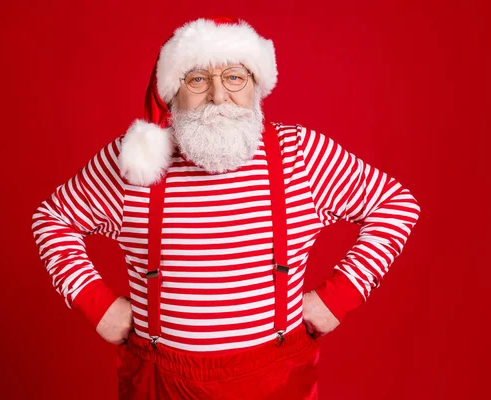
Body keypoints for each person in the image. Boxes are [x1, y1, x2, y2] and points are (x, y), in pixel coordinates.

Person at [31, 16, 421, 399]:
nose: (218, 95)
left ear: (256, 85)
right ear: (171, 91)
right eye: (198, 79)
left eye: (234, 76)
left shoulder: (298, 155)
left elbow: (396, 204)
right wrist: (96, 305)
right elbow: (53, 219)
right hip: (162, 382)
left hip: (274, 381)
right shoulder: (136, 162)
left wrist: (338, 298)